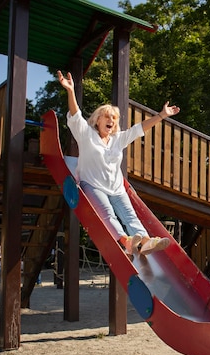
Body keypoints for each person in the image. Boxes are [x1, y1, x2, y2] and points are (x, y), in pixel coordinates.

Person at [57, 71, 179, 256]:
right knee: (107, 212)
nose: (111, 121)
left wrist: (161, 115)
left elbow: (140, 129)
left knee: (130, 215)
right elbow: (75, 115)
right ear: (97, 120)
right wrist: (71, 91)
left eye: (114, 119)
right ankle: (126, 242)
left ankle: (145, 242)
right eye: (107, 117)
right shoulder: (86, 134)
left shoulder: (118, 139)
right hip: (93, 185)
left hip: (116, 187)